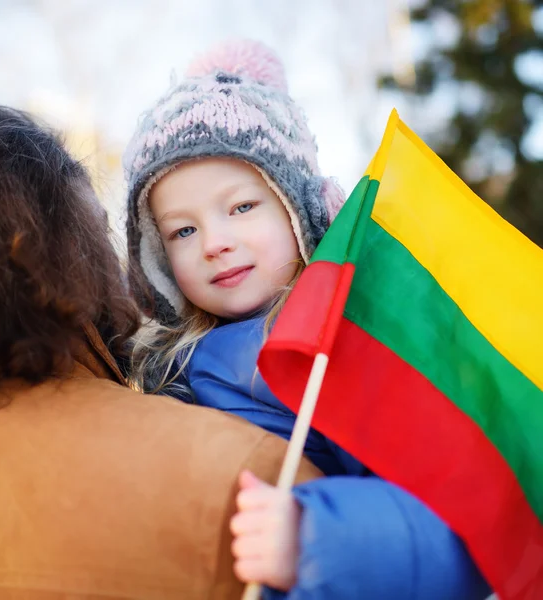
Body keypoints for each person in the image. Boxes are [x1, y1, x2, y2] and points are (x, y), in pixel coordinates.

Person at [123, 40, 492, 599]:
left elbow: (456, 515)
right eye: (182, 230)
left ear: (300, 208)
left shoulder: (348, 340)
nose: (215, 243)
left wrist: (316, 539)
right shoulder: (159, 370)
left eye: (242, 207)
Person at [0, 101, 322, 599]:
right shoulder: (244, 473)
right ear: (64, 258)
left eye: (242, 207)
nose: (214, 244)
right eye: (100, 234)